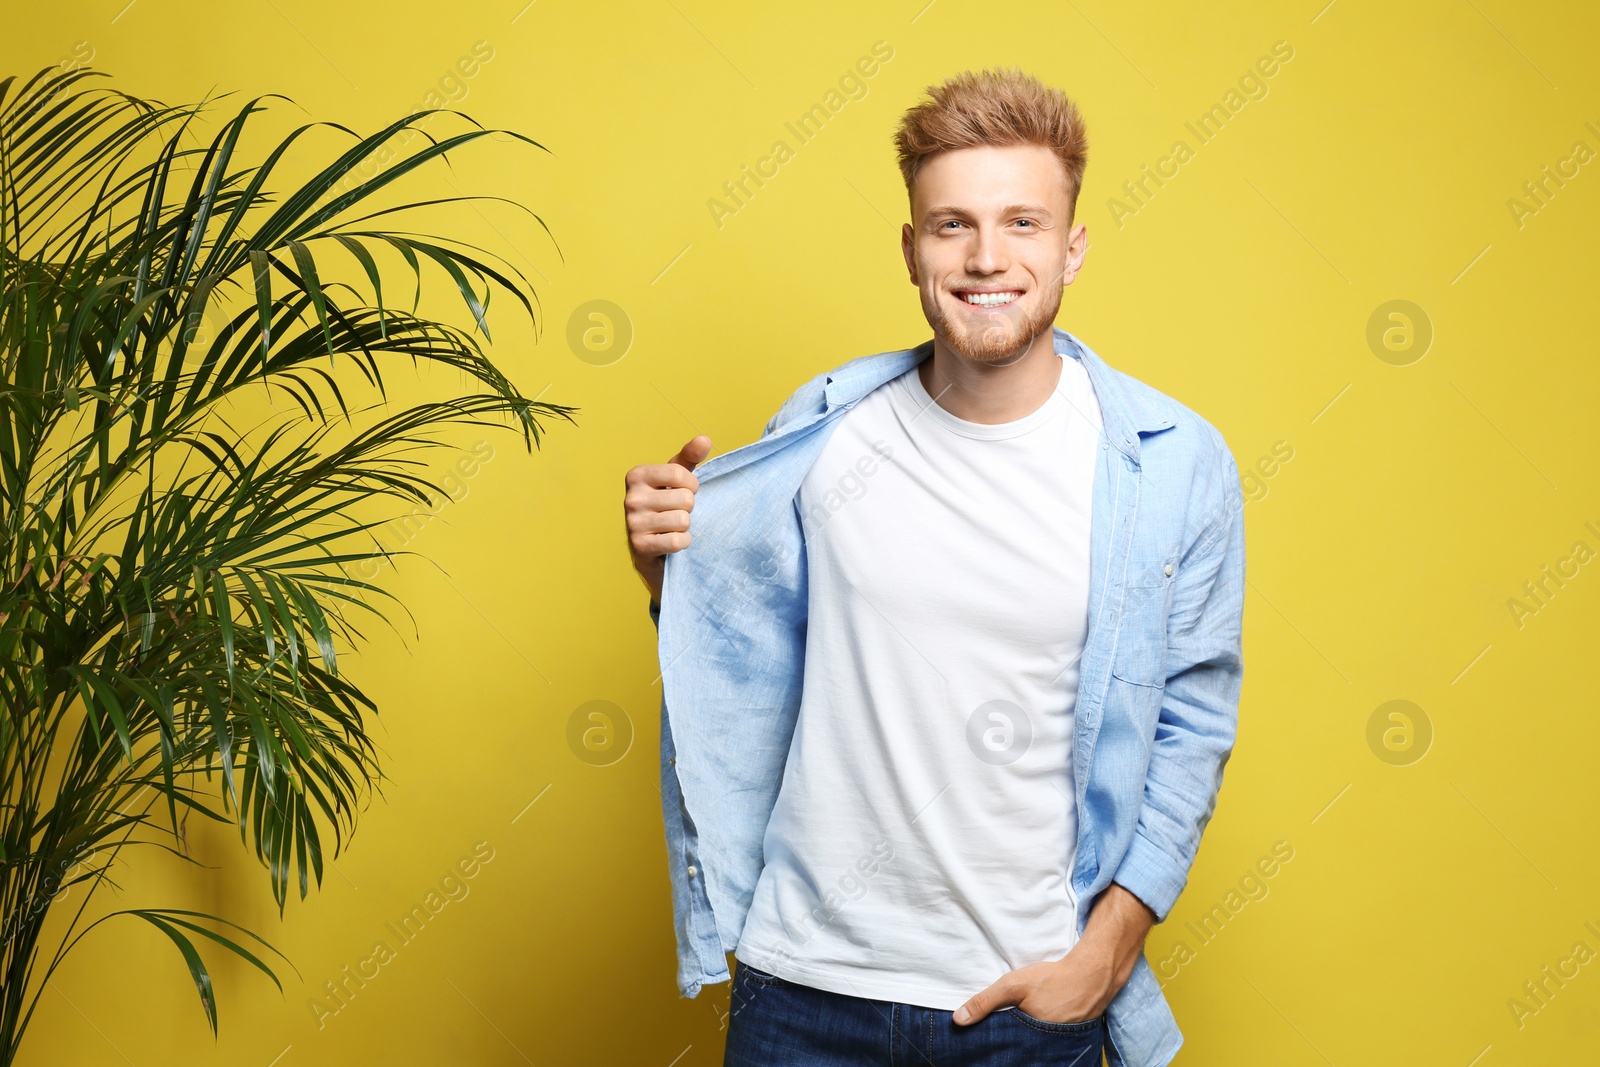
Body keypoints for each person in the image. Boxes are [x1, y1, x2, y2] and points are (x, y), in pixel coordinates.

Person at [623, 67, 1245, 1067]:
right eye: (951, 225)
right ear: (911, 248)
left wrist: (1104, 954)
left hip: (1025, 1005)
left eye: (1022, 224)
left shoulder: (1171, 464)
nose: (986, 257)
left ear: (1072, 247)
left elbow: (1190, 722)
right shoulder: (822, 433)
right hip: (806, 991)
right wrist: (670, 573)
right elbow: (737, 658)